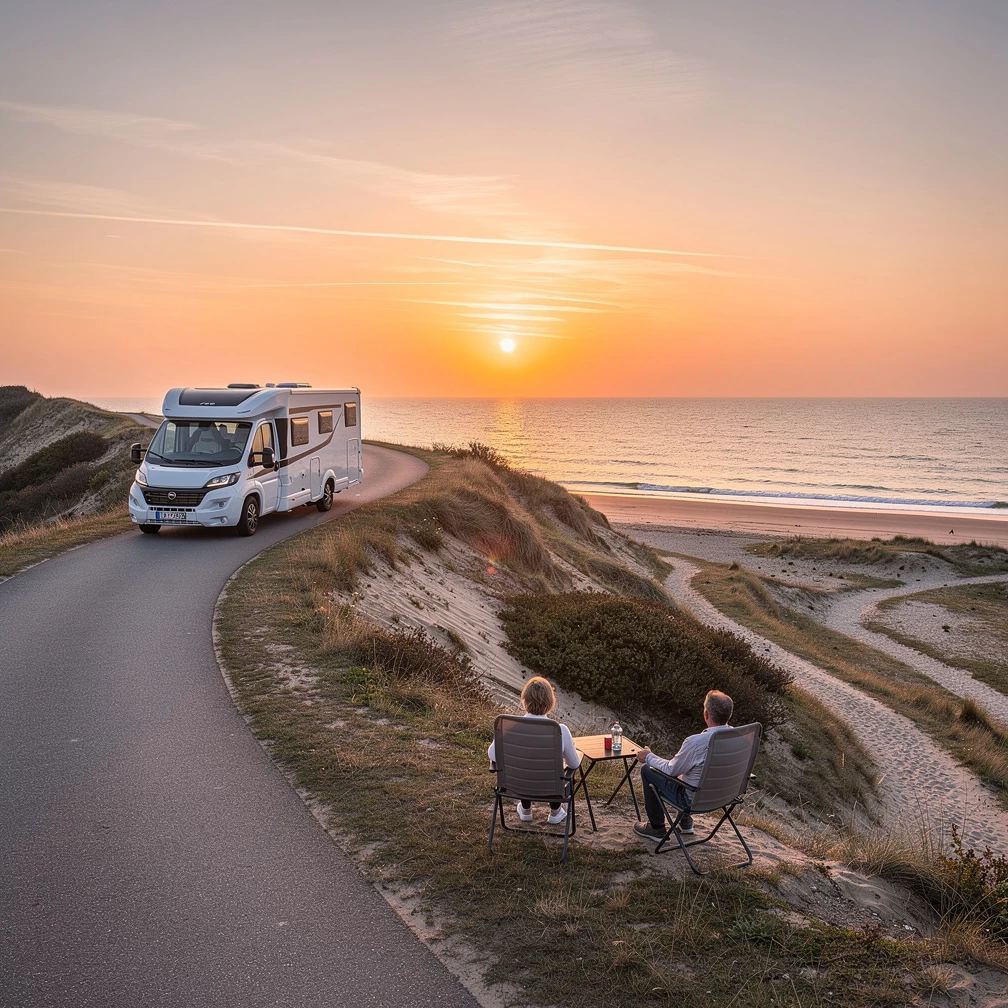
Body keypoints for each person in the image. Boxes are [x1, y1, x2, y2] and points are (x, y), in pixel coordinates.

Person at [632, 690, 734, 842]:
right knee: (691, 771)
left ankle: (656, 828)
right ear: (728, 714)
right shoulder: (738, 737)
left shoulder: (696, 742)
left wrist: (649, 757)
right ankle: (685, 823)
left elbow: (671, 770)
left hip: (693, 800)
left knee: (648, 770)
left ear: (706, 714)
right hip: (725, 796)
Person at [488, 676, 581, 825]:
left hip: (516, 785)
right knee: (562, 772)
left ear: (524, 700)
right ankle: (556, 812)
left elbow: (492, 755)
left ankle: (525, 810)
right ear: (550, 702)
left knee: (525, 764)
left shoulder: (508, 726)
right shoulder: (560, 730)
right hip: (550, 788)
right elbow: (574, 764)